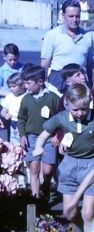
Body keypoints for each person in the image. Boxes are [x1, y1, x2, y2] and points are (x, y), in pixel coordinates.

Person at [33, 83, 94, 232]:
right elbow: (44, 134)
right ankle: (87, 229)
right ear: (66, 104)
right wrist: (39, 146)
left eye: (84, 109)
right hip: (69, 166)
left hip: (93, 164)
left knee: (88, 213)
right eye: (75, 109)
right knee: (69, 212)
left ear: (90, 102)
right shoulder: (61, 117)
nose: (80, 113)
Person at [17, 65, 60, 200]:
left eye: (29, 83)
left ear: (40, 82)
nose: (26, 86)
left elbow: (61, 118)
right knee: (34, 168)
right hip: (32, 138)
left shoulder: (52, 98)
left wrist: (58, 135)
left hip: (49, 138)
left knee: (47, 171)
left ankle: (46, 187)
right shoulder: (26, 99)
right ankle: (35, 200)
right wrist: (23, 135)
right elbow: (21, 119)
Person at [41, 0, 94, 91]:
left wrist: (93, 87)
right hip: (58, 80)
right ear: (63, 16)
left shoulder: (87, 36)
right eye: (71, 16)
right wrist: (43, 86)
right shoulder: (51, 35)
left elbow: (91, 65)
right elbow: (44, 64)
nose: (74, 20)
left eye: (77, 16)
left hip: (80, 79)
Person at [0, 73, 26, 146]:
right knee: (14, 145)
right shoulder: (9, 97)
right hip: (13, 126)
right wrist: (6, 115)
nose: (11, 89)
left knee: (25, 145)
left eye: (14, 86)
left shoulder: (27, 96)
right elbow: (3, 111)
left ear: (23, 85)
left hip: (25, 125)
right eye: (10, 87)